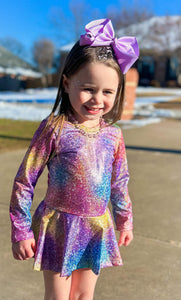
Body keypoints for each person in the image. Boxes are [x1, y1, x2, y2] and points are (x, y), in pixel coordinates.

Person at [10, 18, 139, 300]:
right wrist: (21, 230)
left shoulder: (113, 136)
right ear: (67, 84)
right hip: (58, 227)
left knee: (83, 296)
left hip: (96, 227)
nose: (97, 99)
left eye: (108, 92)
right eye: (89, 88)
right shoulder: (54, 128)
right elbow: (24, 181)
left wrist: (124, 220)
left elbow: (119, 182)